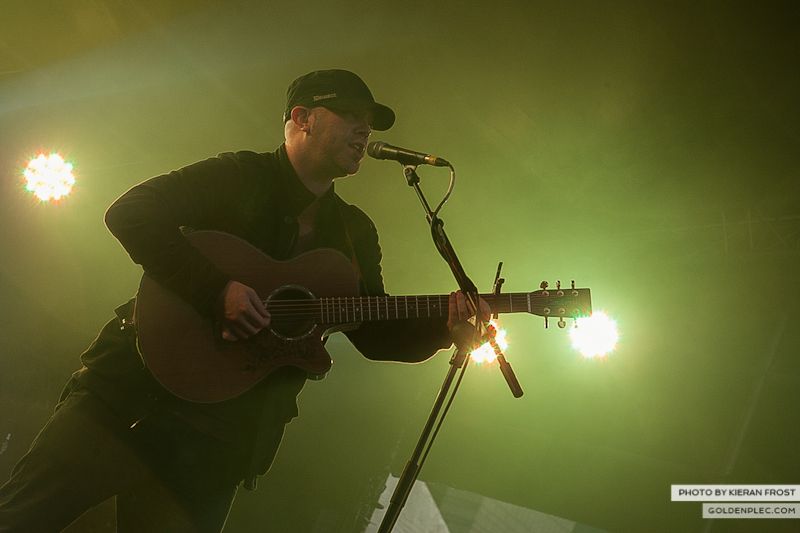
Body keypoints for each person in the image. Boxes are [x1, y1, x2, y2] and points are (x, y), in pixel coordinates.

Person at [0, 69, 481, 532]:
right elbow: (130, 213)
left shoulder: (355, 232)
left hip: (217, 444)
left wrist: (446, 330)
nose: (364, 130)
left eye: (369, 122)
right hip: (125, 398)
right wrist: (215, 291)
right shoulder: (237, 176)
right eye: (351, 114)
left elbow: (374, 333)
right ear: (302, 118)